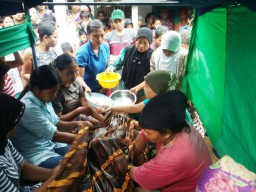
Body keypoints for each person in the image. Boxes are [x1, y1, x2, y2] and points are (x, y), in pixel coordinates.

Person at [129, 90, 211, 191]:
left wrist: (125, 165)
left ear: (167, 133)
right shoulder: (174, 123)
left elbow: (142, 177)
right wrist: (132, 154)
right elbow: (143, 134)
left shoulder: (173, 157)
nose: (145, 133)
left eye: (148, 132)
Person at [11, 65, 91, 169]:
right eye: (51, 92)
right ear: (36, 89)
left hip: (49, 144)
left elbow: (56, 123)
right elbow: (55, 136)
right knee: (74, 164)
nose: (54, 96)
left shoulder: (44, 99)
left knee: (83, 153)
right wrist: (86, 139)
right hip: (35, 153)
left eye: (56, 91)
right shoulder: (28, 107)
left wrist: (77, 124)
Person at [0, 93, 61, 192]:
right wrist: (53, 178)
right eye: (12, 124)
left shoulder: (5, 142)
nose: (14, 128)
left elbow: (23, 167)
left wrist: (52, 173)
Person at [51, 53, 106, 124]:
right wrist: (78, 111)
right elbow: (59, 119)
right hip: (68, 124)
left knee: (103, 123)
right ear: (59, 72)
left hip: (81, 115)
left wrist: (104, 120)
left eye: (76, 71)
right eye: (69, 73)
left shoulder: (76, 83)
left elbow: (84, 104)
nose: (74, 76)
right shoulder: (55, 91)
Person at [106, 27, 153, 102]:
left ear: (150, 43)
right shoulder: (127, 50)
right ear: (136, 40)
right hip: (126, 87)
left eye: (145, 43)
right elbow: (116, 63)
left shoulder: (153, 56)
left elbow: (152, 77)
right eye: (139, 42)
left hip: (142, 91)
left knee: (138, 109)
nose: (141, 46)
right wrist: (111, 67)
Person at [76, 19, 110, 93]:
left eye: (102, 35)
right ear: (88, 35)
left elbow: (107, 66)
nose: (99, 39)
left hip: (103, 87)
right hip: (89, 91)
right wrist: (86, 88)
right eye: (95, 36)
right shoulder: (82, 53)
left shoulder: (105, 46)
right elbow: (79, 77)